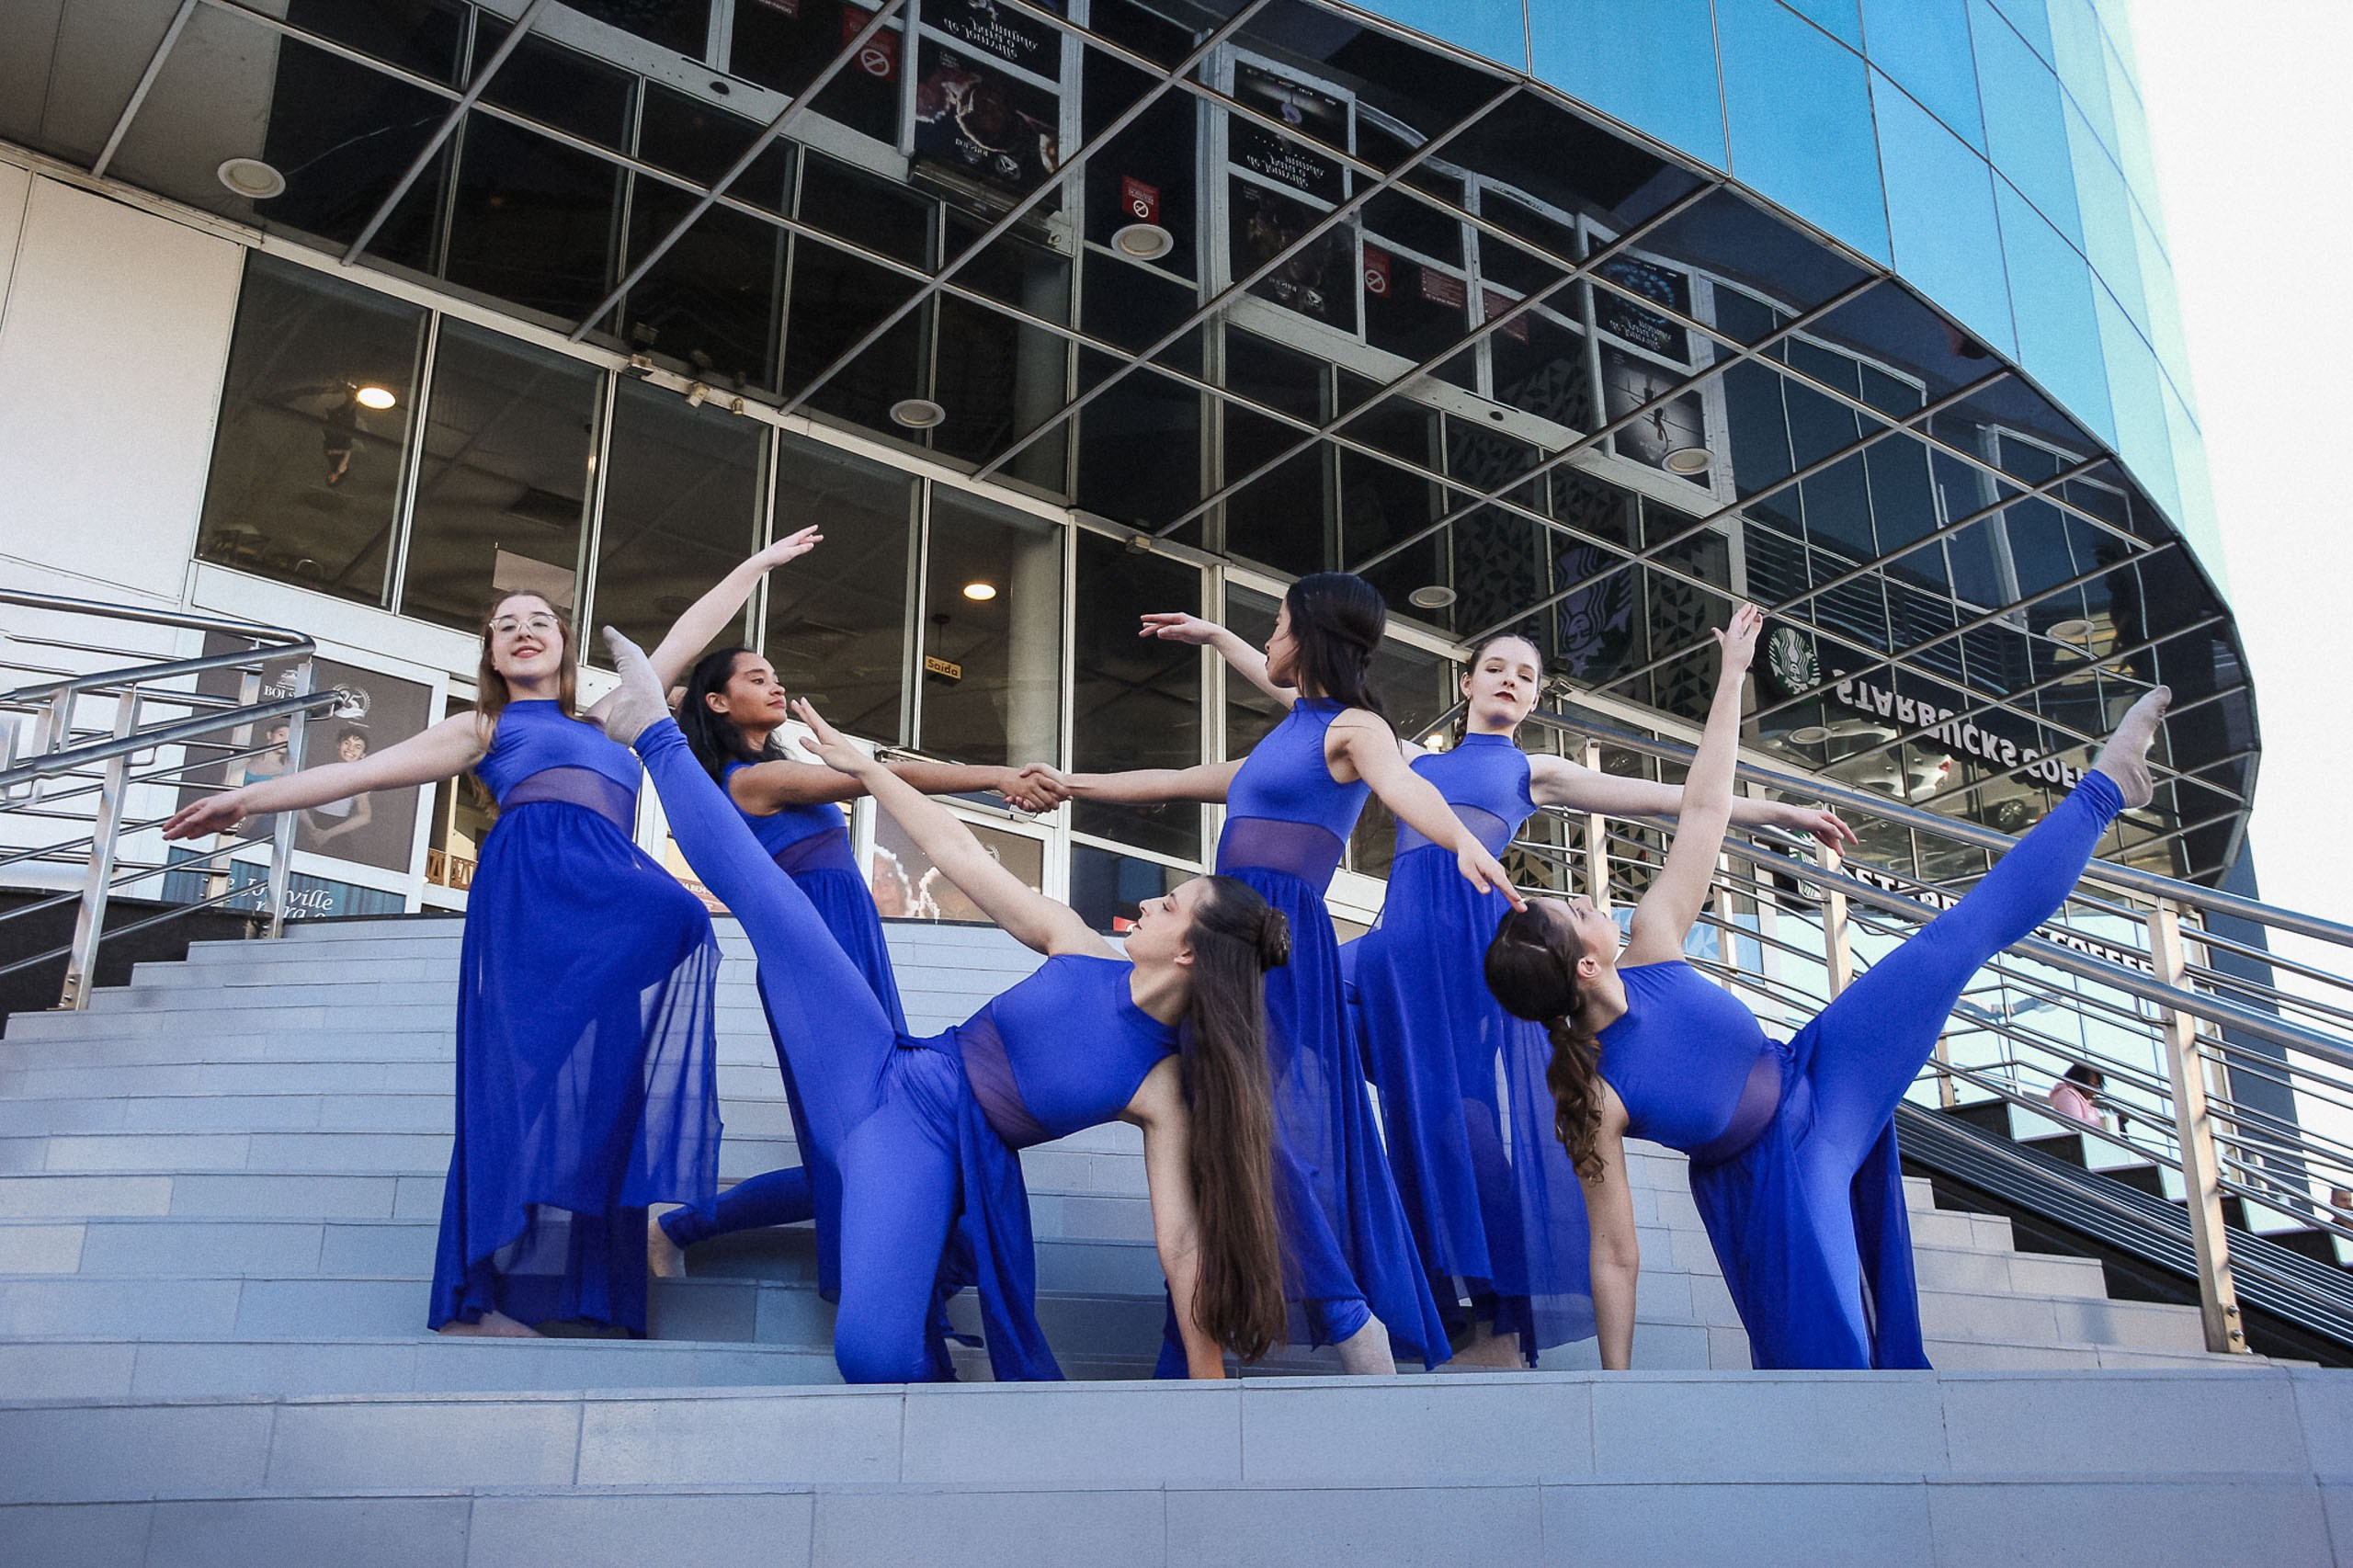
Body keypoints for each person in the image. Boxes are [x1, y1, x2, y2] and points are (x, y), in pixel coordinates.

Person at [162, 528, 826, 1337]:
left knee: (635, 1025)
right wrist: (247, 799)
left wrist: (754, 565)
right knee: (510, 1092)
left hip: (602, 901)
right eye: (506, 625)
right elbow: (362, 772)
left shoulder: (610, 717)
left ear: (564, 644)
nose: (523, 631)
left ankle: (587, 1287)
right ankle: (472, 1301)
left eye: (539, 621)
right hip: (530, 896)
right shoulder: (484, 724)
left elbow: (687, 637)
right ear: (491, 652)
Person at [1483, 600, 2169, 1371]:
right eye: (1579, 911)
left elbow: (1705, 808)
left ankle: (2107, 786)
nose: (1591, 900)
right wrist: (1615, 1384)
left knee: (1951, 941)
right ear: (1585, 966)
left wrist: (1732, 676)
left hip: (1819, 1070)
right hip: (1777, 1181)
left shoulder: (1655, 935)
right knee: (1837, 1365)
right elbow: (1615, 1254)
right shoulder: (1595, 1096)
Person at [597, 626, 1291, 1382]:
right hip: (882, 1066)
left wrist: (1206, 1380)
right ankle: (651, 731)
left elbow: (1182, 1245)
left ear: (1190, 953)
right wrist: (868, 769)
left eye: (1172, 905)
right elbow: (956, 851)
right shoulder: (1075, 943)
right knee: (776, 905)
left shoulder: (1161, 1087)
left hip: (922, 1151)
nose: (1150, 902)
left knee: (873, 1357)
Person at [1337, 630, 1855, 1368]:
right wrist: (1221, 636)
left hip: (1470, 969)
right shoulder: (1411, 760)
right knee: (1300, 997)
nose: (1509, 681)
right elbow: (1309, 704)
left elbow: (1679, 801)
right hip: (1394, 956)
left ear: (1535, 698)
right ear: (1466, 683)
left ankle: (1497, 1327)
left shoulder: (1534, 771)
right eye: (1494, 669)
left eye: (1525, 675)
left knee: (1458, 1125)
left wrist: (1784, 816)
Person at [1055, 574, 1519, 1374]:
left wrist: (1463, 842)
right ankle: (1192, 1344)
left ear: (1307, 636)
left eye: (1275, 625)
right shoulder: (1286, 739)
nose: (1267, 638)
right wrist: (1062, 785)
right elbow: (1170, 782)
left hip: (1272, 944)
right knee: (1217, 1131)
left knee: (1252, 1126)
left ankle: (1349, 1316)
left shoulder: (1355, 730)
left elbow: (1403, 786)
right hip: (1224, 936)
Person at [649, 644, 1067, 1290]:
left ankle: (682, 1229)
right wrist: (1001, 776)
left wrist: (689, 700)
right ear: (718, 701)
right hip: (815, 964)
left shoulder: (766, 766)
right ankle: (681, 1229)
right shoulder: (752, 780)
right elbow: (884, 778)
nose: (776, 684)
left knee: (878, 1140)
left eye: (775, 675)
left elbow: (687, 700)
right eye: (756, 679)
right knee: (862, 1147)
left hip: (849, 947)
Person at [303, 728, 375, 847]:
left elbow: (365, 816)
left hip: (337, 840)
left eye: (357, 747)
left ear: (363, 755)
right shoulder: (323, 772)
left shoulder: (359, 779)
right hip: (313, 834)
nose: (351, 749)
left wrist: (327, 834)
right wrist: (312, 828)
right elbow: (293, 800)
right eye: (347, 743)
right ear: (338, 745)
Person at [2047, 1062, 2109, 1131]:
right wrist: (2103, 1124)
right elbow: (2075, 1123)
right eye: (2093, 1084)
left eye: (2098, 1086)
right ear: (2080, 1080)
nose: (2095, 1089)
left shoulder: (2089, 1101)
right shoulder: (2067, 1094)